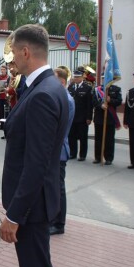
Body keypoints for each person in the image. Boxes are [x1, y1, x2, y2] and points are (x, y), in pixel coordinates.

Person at [0, 24, 69, 267]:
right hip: (37, 204)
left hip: (31, 208)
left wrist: (15, 215)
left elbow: (36, 164)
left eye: (15, 52)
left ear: (26, 52)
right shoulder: (50, 86)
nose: (13, 58)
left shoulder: (42, 94)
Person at [49, 67, 75, 236]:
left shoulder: (66, 99)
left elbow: (60, 128)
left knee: (58, 188)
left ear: (62, 82)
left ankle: (59, 223)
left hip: (58, 150)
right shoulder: (61, 96)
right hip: (54, 150)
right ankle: (53, 219)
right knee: (53, 186)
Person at [92, 77, 122, 165]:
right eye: (103, 78)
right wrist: (100, 105)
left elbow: (119, 101)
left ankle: (109, 158)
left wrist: (110, 100)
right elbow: (93, 101)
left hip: (110, 118)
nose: (105, 80)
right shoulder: (97, 89)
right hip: (99, 118)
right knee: (98, 139)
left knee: (109, 140)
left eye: (107, 78)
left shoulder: (116, 89)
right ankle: (98, 157)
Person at [67, 70, 93, 161]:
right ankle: (72, 153)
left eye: (78, 77)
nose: (76, 78)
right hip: (72, 117)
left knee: (83, 137)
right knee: (71, 136)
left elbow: (89, 105)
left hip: (82, 117)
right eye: (74, 77)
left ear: (82, 77)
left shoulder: (87, 88)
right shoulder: (70, 87)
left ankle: (82, 155)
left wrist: (89, 117)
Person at [0, 65, 9, 130]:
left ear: (6, 70)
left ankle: (6, 125)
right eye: (1, 69)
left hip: (6, 97)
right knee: (1, 111)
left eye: (3, 69)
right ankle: (1, 125)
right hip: (0, 96)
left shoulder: (8, 77)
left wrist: (6, 85)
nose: (2, 70)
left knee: (6, 112)